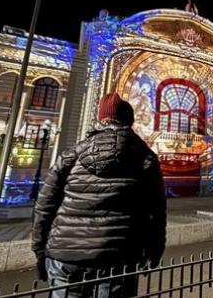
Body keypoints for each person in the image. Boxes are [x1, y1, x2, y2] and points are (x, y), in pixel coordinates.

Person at [32, 93, 167, 298]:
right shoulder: (145, 157)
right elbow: (156, 211)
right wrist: (153, 251)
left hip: (66, 254)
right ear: (129, 121)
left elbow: (45, 206)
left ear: (101, 118)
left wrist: (40, 249)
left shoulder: (72, 155)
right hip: (119, 255)